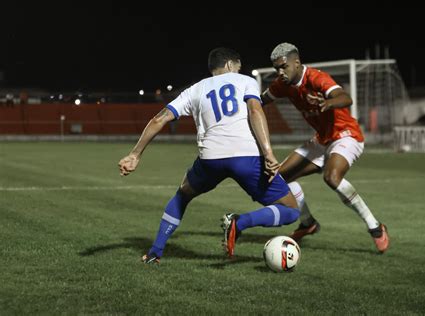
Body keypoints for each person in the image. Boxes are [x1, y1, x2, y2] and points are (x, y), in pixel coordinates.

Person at [118, 47, 300, 264]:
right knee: (291, 210)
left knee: (182, 195)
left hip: (210, 159)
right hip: (247, 157)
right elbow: (255, 111)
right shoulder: (245, 81)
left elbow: (160, 118)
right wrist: (268, 153)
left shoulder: (195, 89)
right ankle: (239, 223)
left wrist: (135, 154)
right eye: (238, 67)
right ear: (231, 65)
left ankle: (155, 252)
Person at [261, 42, 389, 253]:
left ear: (297, 62)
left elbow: (345, 98)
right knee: (278, 178)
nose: (280, 72)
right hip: (321, 140)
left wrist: (328, 103)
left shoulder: (316, 78)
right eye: (277, 68)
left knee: (331, 177)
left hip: (346, 135)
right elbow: (261, 100)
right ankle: (308, 222)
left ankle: (375, 227)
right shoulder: (282, 85)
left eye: (284, 66)